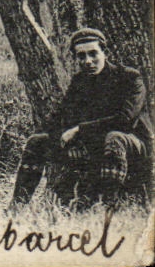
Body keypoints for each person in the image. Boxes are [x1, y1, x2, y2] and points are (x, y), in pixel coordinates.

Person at [11, 28, 151, 209]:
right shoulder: (79, 82)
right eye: (81, 56)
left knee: (114, 138)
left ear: (104, 52)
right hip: (94, 142)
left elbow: (125, 120)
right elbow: (62, 116)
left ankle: (107, 207)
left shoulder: (129, 77)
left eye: (93, 54)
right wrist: (60, 137)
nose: (88, 61)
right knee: (37, 142)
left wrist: (79, 131)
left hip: (132, 142)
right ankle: (17, 206)